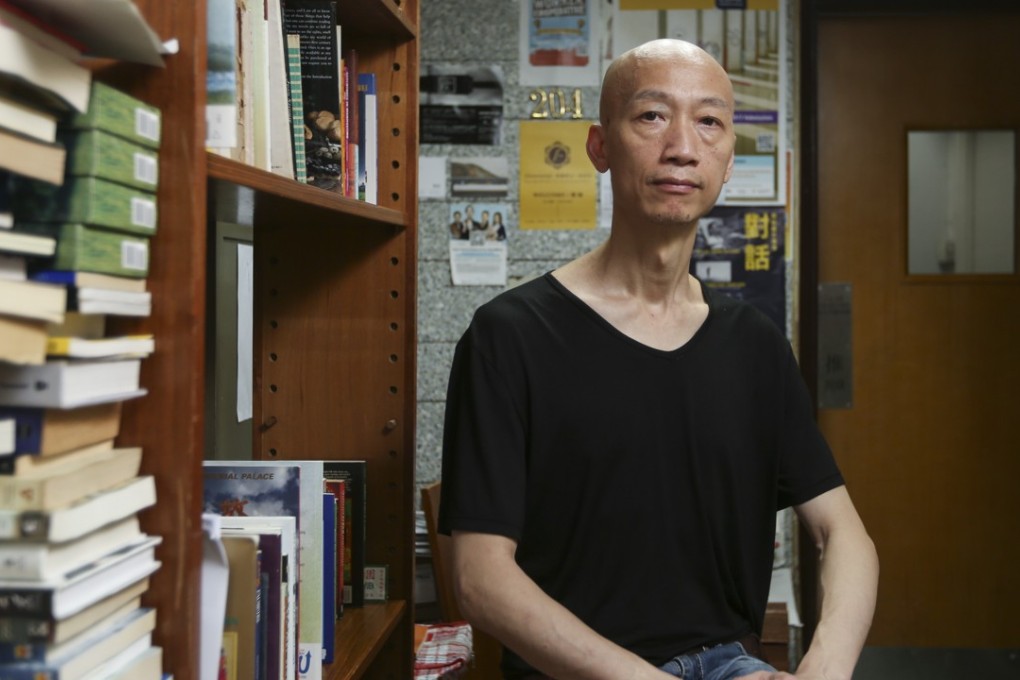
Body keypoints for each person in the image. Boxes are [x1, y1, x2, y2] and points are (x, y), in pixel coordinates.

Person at [438, 38, 878, 680]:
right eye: (651, 115)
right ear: (599, 146)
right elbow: (478, 579)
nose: (682, 146)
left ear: (728, 159)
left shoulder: (752, 343)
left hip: (729, 662)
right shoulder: (509, 336)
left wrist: (824, 669)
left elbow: (845, 535)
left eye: (709, 122)